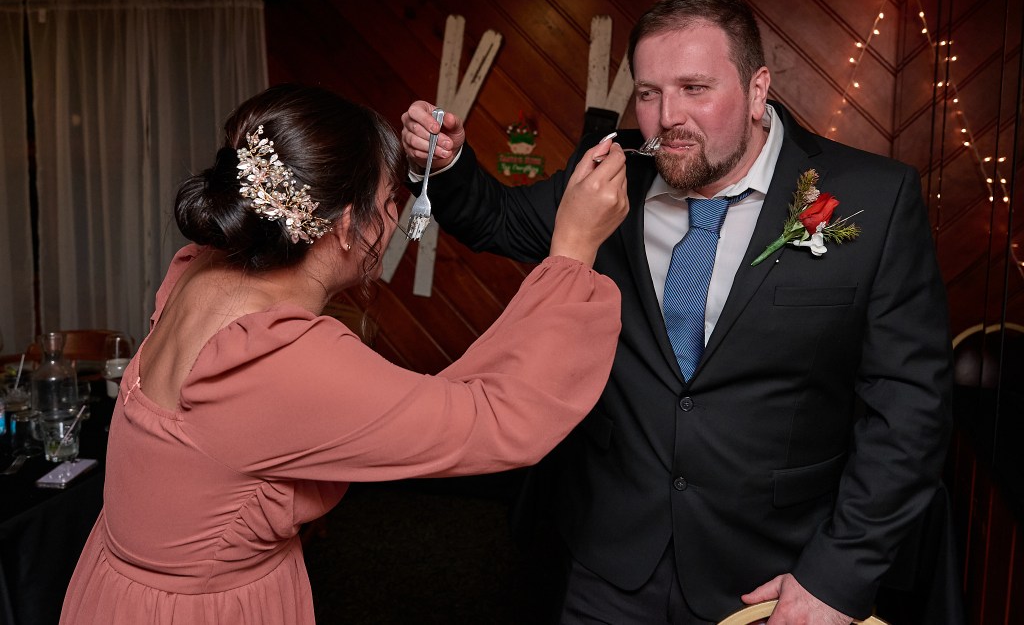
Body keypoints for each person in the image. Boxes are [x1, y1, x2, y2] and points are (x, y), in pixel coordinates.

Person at [401, 0, 955, 625]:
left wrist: (836, 577)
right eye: (649, 93)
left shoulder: (873, 198)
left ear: (757, 90)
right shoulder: (613, 174)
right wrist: (444, 166)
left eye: (695, 88)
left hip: (771, 574)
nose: (668, 117)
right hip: (609, 557)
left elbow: (909, 407)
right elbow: (494, 219)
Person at [60, 83, 629, 624]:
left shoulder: (201, 268)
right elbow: (501, 420)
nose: (393, 220)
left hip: (118, 586)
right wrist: (575, 250)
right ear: (349, 223)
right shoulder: (283, 357)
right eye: (388, 203)